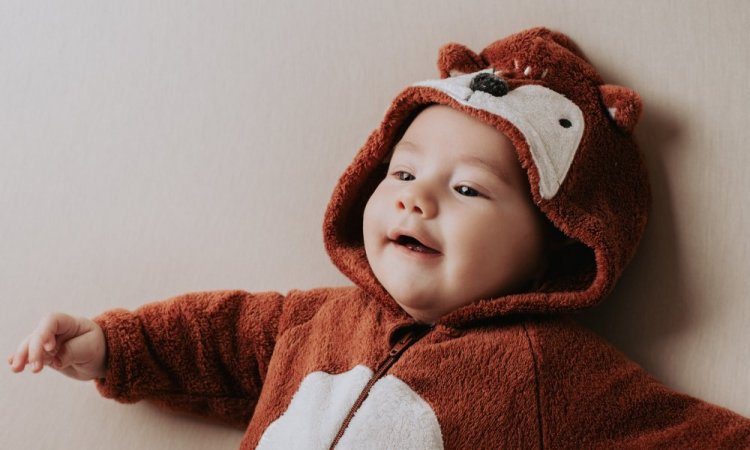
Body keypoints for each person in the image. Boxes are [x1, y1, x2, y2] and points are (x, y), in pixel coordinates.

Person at [8, 27, 750, 449]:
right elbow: (223, 340)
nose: (417, 199)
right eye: (401, 174)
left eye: (467, 190)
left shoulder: (550, 373)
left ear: (554, 239)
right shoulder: (319, 322)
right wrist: (110, 344)